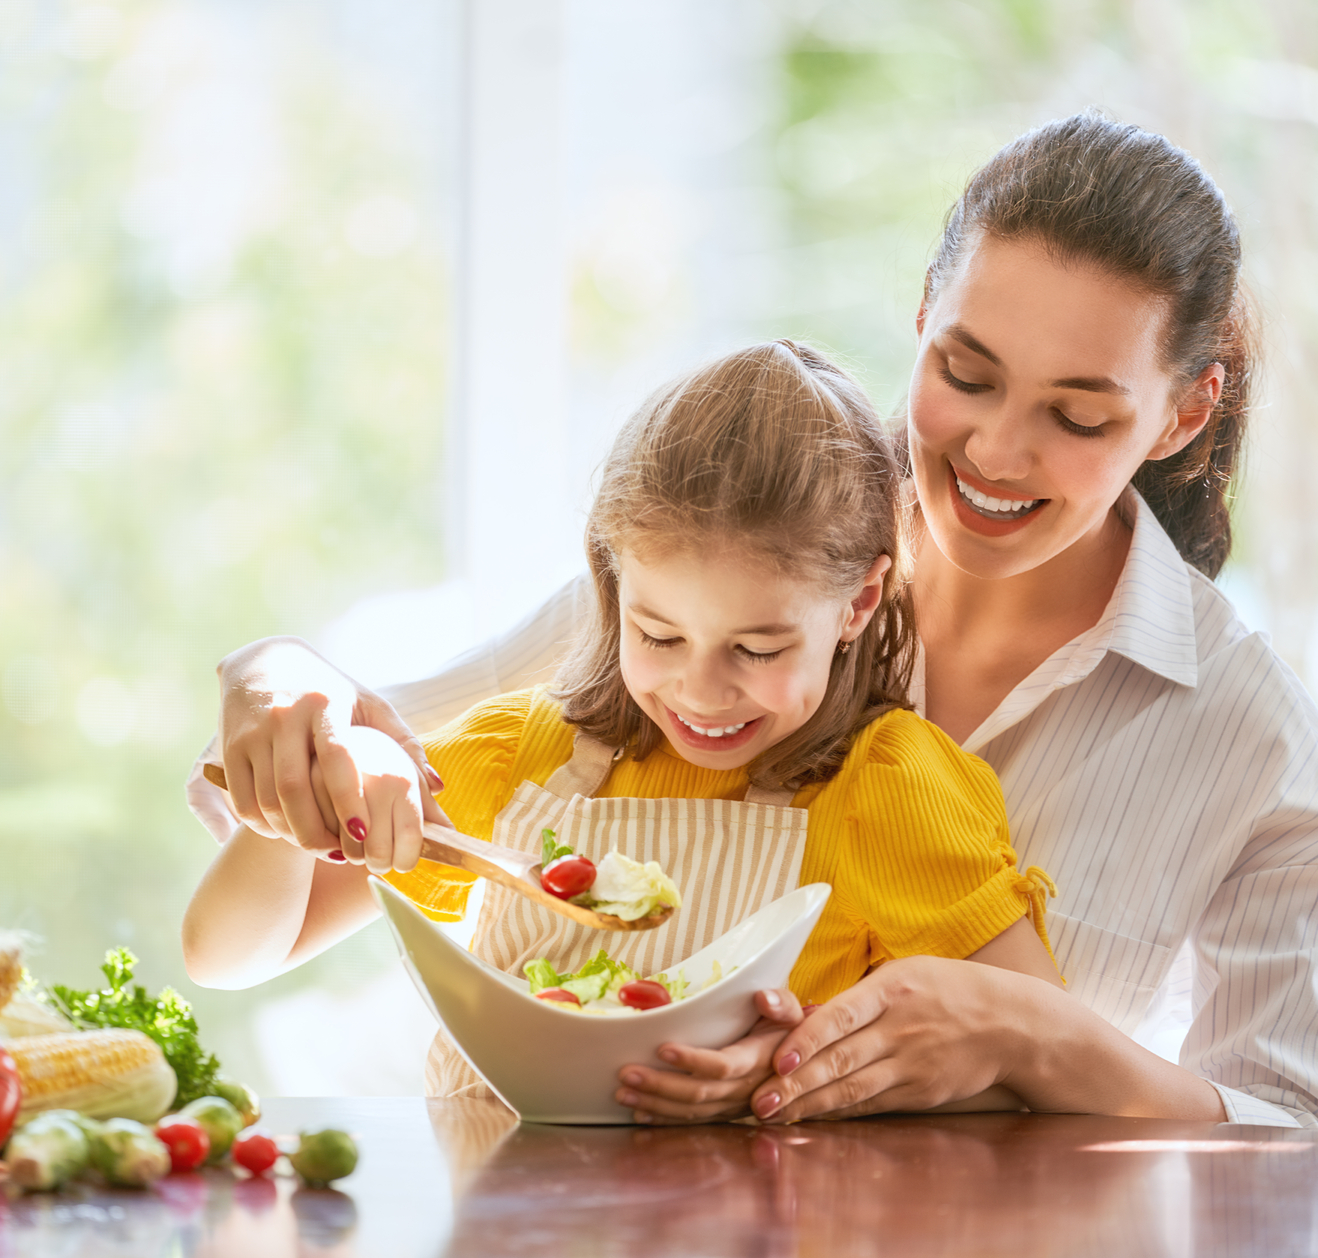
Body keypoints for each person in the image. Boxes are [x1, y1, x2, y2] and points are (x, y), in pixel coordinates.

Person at [187, 111, 1318, 1127]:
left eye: (1076, 415)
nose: (996, 452)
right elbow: (330, 802)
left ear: (1179, 414)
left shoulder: (1247, 728)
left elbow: (1288, 1129)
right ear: (921, 319)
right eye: (965, 374)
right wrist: (287, 677)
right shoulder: (729, 558)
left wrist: (1037, 1038)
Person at [183, 340, 1063, 1105]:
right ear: (611, 584)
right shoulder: (522, 755)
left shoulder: (890, 791)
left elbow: (1042, 1055)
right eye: (658, 634)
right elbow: (228, 956)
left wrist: (814, 1071)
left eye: (756, 649)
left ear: (859, 601)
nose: (701, 690)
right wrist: (293, 801)